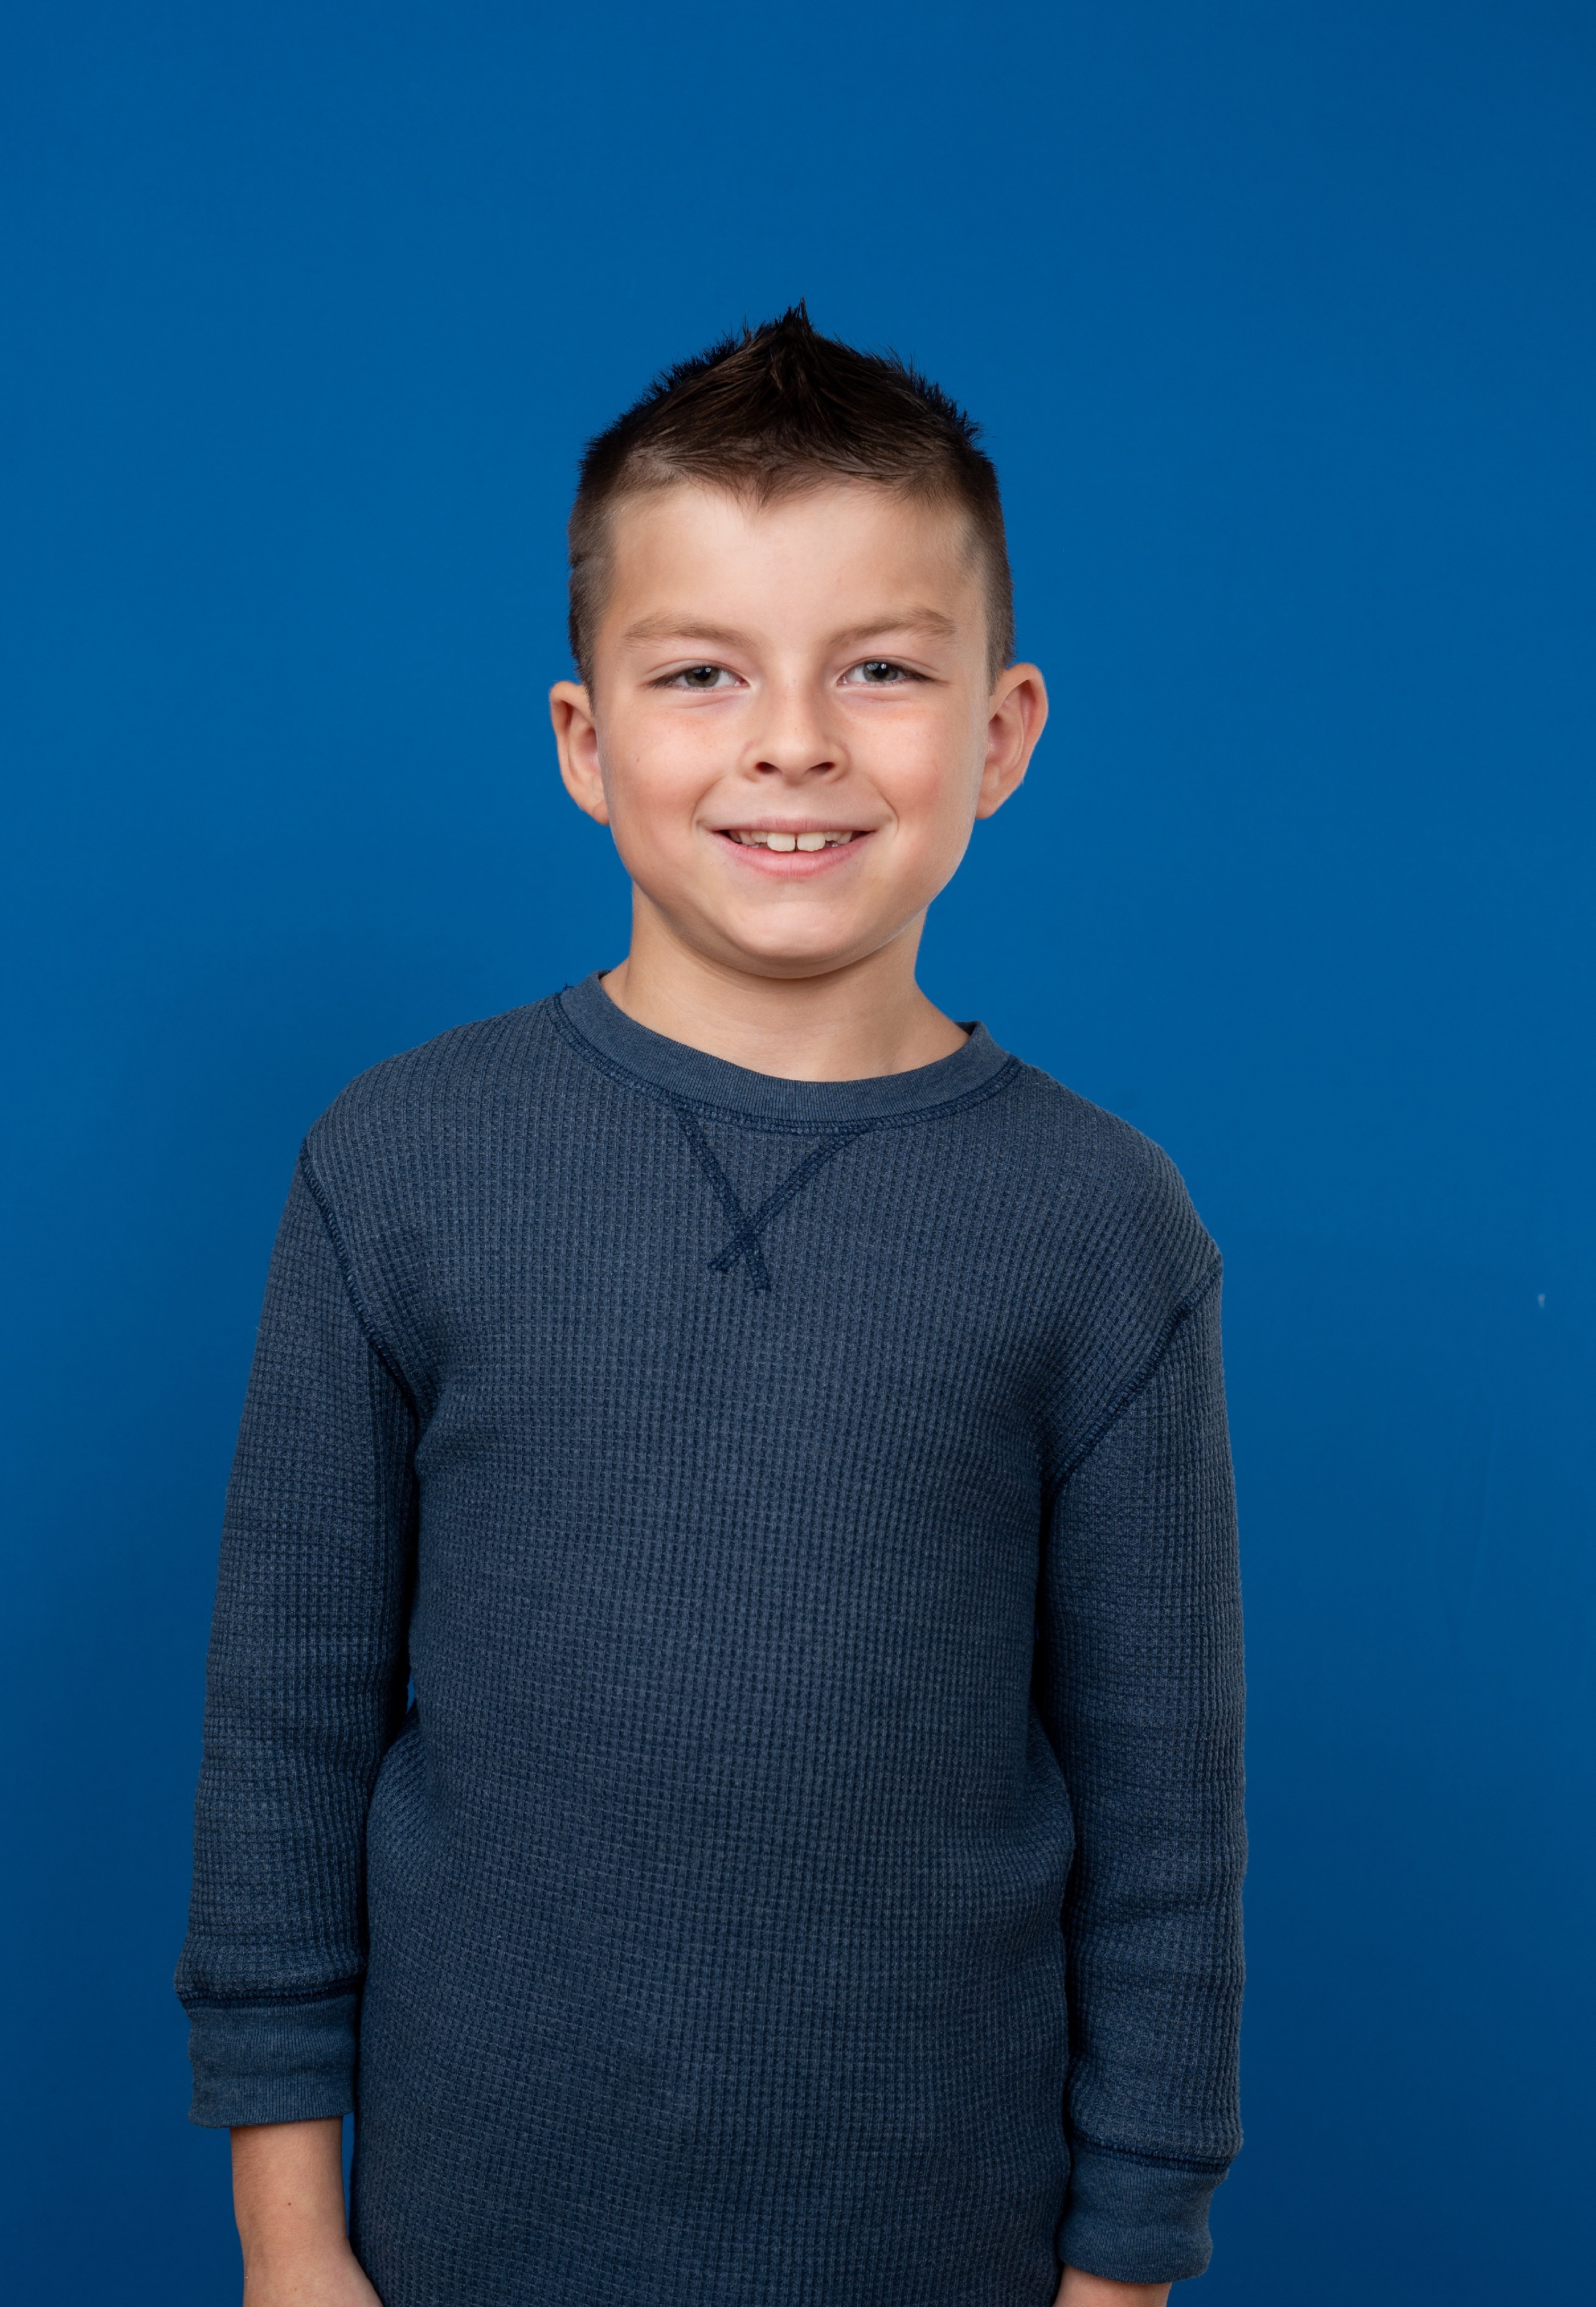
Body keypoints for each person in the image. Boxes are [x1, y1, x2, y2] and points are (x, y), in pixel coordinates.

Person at [177, 305, 1246, 2307]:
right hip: (460, 2244)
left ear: (1003, 731)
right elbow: (286, 1739)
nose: (793, 743)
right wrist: (289, 2240)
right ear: (585, 740)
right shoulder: (396, 1164)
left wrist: (1126, 2272)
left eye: (881, 669)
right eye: (700, 673)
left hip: (939, 2249)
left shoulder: (1103, 1227)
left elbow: (1166, 1828)